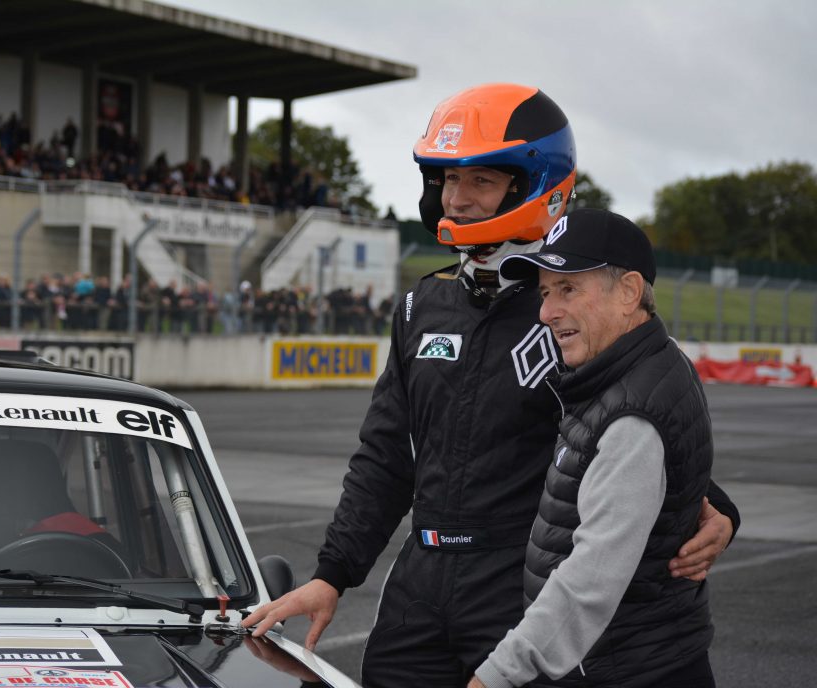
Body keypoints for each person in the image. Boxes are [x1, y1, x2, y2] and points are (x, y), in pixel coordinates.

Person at [242, 84, 740, 687]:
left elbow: (636, 424)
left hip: (521, 586)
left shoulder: (577, 312)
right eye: (447, 180)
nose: (457, 198)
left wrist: (715, 507)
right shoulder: (420, 305)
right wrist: (332, 573)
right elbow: (385, 455)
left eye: (480, 181)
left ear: (535, 182)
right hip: (420, 584)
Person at [468, 209, 717, 688]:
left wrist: (496, 676)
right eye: (544, 293)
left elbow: (591, 578)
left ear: (627, 293)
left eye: (567, 289)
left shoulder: (632, 413)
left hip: (627, 670)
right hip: (634, 659)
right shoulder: (636, 372)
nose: (546, 312)